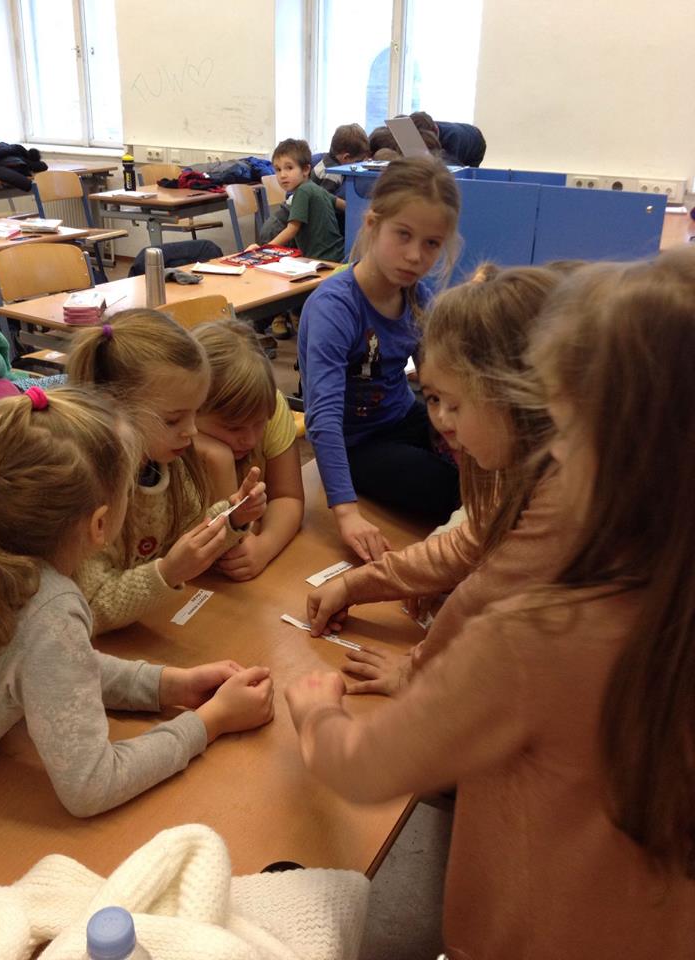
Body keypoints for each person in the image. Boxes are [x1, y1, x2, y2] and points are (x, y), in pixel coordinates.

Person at [285, 248, 695, 959]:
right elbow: (471, 549)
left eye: (565, 429)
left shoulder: (543, 635)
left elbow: (368, 766)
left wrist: (318, 711)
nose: (552, 454)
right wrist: (363, 588)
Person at [0, 386, 274, 817]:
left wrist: (166, 685)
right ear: (100, 523)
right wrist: (211, 722)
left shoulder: (1, 561)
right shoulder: (48, 605)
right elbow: (92, 785)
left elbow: (57, 663)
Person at [307, 265, 565, 695]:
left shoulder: (562, 487)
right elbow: (470, 545)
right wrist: (355, 584)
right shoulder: (529, 460)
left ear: (512, 392)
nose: (442, 421)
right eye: (431, 399)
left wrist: (417, 670)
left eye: (454, 405)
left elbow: (484, 590)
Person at [298, 155, 461, 562]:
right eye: (403, 235)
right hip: (358, 443)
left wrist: (460, 433)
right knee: (454, 490)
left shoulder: (418, 296)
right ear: (372, 225)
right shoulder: (335, 308)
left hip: (402, 417)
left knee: (488, 463)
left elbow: (438, 383)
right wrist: (346, 513)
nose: (415, 256)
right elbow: (323, 419)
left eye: (431, 244)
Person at [67, 310, 267, 634]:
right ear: (113, 408)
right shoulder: (84, 494)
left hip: (147, 629)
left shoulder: (164, 463)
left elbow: (188, 533)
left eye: (195, 413)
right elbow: (91, 607)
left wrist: (232, 517)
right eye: (173, 420)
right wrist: (168, 572)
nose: (192, 431)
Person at [193, 320, 304, 581]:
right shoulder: (168, 445)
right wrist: (219, 459)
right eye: (233, 428)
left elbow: (287, 496)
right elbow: (219, 544)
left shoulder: (269, 404)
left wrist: (265, 546)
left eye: (259, 424)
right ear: (190, 411)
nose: (250, 439)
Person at [256, 138, 344, 263]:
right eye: (278, 169)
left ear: (306, 170)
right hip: (340, 256)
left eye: (289, 168)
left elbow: (291, 230)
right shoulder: (315, 188)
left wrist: (263, 250)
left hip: (323, 261)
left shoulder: (302, 191)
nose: (282, 175)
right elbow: (343, 205)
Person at [310, 123, 370, 197]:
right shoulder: (333, 175)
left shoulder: (327, 159)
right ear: (346, 157)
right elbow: (325, 199)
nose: (358, 165)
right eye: (357, 162)